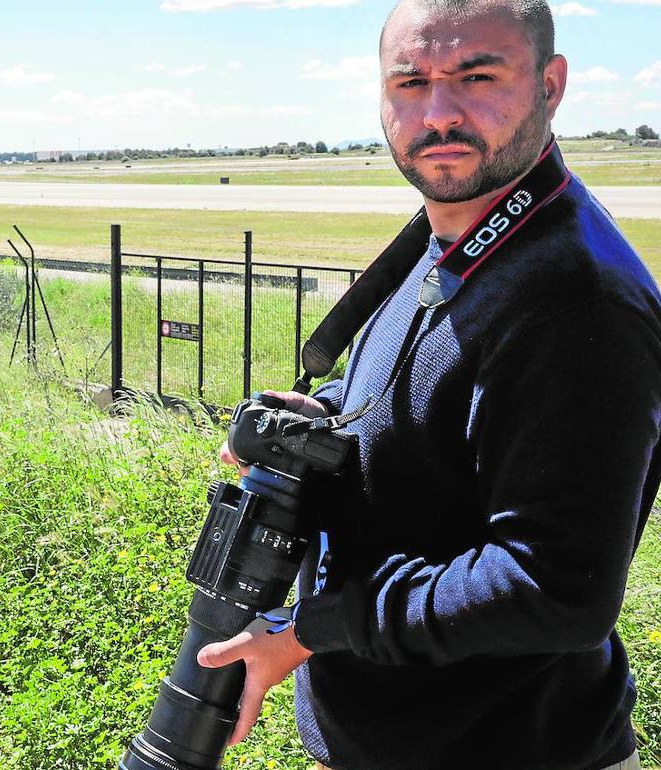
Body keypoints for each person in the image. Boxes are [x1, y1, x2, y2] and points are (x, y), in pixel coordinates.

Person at [195, 0, 661, 768]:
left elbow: (553, 590)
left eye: (477, 76)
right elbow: (428, 397)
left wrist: (312, 628)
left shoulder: (576, 299)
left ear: (551, 83)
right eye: (410, 83)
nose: (439, 113)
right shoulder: (454, 232)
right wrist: (322, 415)